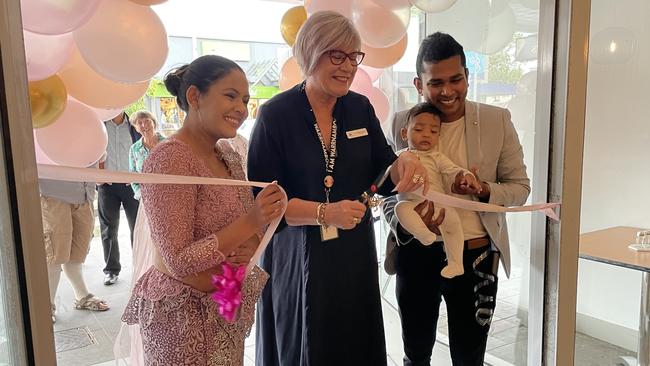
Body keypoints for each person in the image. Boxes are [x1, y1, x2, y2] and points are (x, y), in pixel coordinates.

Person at [248, 11, 428, 366]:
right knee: (307, 343)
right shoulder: (276, 115)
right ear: (312, 53)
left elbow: (383, 170)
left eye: (354, 57)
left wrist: (403, 165)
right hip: (297, 254)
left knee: (354, 339)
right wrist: (323, 212)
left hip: (352, 253)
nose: (348, 67)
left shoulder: (359, 108)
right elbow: (262, 202)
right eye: (338, 56)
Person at [121, 55, 286, 365]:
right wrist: (250, 223)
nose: (241, 108)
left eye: (246, 100)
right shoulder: (170, 159)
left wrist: (248, 242)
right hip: (182, 318)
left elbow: (251, 231)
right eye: (231, 95)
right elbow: (178, 259)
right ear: (194, 96)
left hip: (224, 302)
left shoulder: (227, 155)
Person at [382, 32, 531, 365]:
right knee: (416, 352)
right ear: (420, 84)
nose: (448, 91)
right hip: (416, 252)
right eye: (436, 83)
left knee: (469, 354)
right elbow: (385, 190)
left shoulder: (497, 120)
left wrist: (485, 190)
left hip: (475, 254)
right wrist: (405, 219)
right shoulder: (399, 124)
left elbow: (520, 187)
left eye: (456, 79)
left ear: (467, 76)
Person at [394, 102, 482, 279]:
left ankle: (456, 263)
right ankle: (422, 233)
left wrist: (466, 175)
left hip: (440, 205)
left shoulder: (437, 157)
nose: (426, 134)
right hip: (412, 206)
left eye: (433, 132)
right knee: (400, 209)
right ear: (405, 133)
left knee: (454, 225)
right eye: (419, 130)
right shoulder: (400, 156)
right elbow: (387, 178)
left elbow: (453, 169)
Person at [40, 176, 110, 323]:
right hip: (53, 193)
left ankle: (81, 295)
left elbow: (99, 155)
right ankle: (46, 305)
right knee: (55, 254)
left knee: (78, 253)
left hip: (85, 193)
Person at [99, 111, 141, 285]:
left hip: (130, 184)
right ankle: (111, 270)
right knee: (109, 230)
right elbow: (92, 149)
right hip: (107, 185)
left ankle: (139, 268)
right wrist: (100, 174)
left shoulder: (134, 125)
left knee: (137, 228)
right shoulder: (100, 125)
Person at [128, 110, 166, 200]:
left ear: (154, 123)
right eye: (139, 123)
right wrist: (141, 195)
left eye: (147, 121)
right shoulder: (134, 149)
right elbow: (133, 176)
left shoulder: (168, 144)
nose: (144, 125)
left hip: (168, 196)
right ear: (136, 128)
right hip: (146, 198)